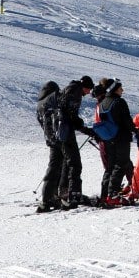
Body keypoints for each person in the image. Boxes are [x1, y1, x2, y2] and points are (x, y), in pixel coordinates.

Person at [55, 75, 96, 209]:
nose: (89, 92)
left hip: (62, 130)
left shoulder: (70, 89)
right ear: (85, 86)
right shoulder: (75, 92)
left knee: (68, 162)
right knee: (75, 163)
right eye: (89, 89)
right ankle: (74, 193)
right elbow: (70, 115)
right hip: (66, 131)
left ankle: (64, 191)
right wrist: (82, 126)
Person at [98, 80, 139, 206]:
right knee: (121, 164)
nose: (122, 90)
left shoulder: (103, 103)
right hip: (121, 137)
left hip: (108, 138)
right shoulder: (119, 102)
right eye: (121, 88)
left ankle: (105, 194)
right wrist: (136, 132)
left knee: (110, 166)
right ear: (115, 89)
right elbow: (126, 120)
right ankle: (113, 194)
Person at [36, 81, 64, 212]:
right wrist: (55, 137)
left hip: (50, 139)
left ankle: (51, 195)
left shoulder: (40, 104)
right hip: (55, 140)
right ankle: (48, 197)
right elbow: (52, 120)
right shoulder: (49, 102)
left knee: (55, 166)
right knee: (54, 168)